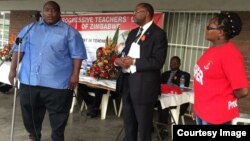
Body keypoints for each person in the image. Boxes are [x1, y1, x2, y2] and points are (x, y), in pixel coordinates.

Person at [8, 1, 87, 141]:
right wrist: (13, 70)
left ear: (59, 13)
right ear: (42, 12)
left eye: (54, 10)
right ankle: (33, 136)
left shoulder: (70, 32)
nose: (50, 13)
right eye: (47, 10)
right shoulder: (29, 29)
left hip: (58, 84)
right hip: (29, 80)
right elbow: (18, 51)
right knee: (30, 113)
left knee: (58, 116)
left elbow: (77, 55)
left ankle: (57, 138)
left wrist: (75, 74)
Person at [115, 3, 168, 141]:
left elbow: (158, 61)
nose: (133, 14)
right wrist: (119, 60)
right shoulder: (133, 33)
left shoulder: (158, 34)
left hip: (144, 88)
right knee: (129, 123)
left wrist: (134, 62)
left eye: (137, 11)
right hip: (128, 84)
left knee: (143, 127)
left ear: (146, 13)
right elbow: (125, 53)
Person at [193, 12, 249, 125]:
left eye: (209, 27)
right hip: (202, 112)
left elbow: (243, 91)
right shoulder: (211, 50)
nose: (206, 29)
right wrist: (197, 107)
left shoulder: (230, 54)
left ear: (221, 32)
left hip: (216, 117)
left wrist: (224, 98)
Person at [157, 56, 190, 138]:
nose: (173, 63)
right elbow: (159, 86)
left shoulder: (184, 75)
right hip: (164, 97)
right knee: (153, 102)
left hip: (176, 100)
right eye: (172, 62)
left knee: (164, 104)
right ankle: (153, 126)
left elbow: (183, 88)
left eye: (176, 62)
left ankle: (162, 129)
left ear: (179, 64)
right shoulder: (164, 74)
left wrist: (174, 86)